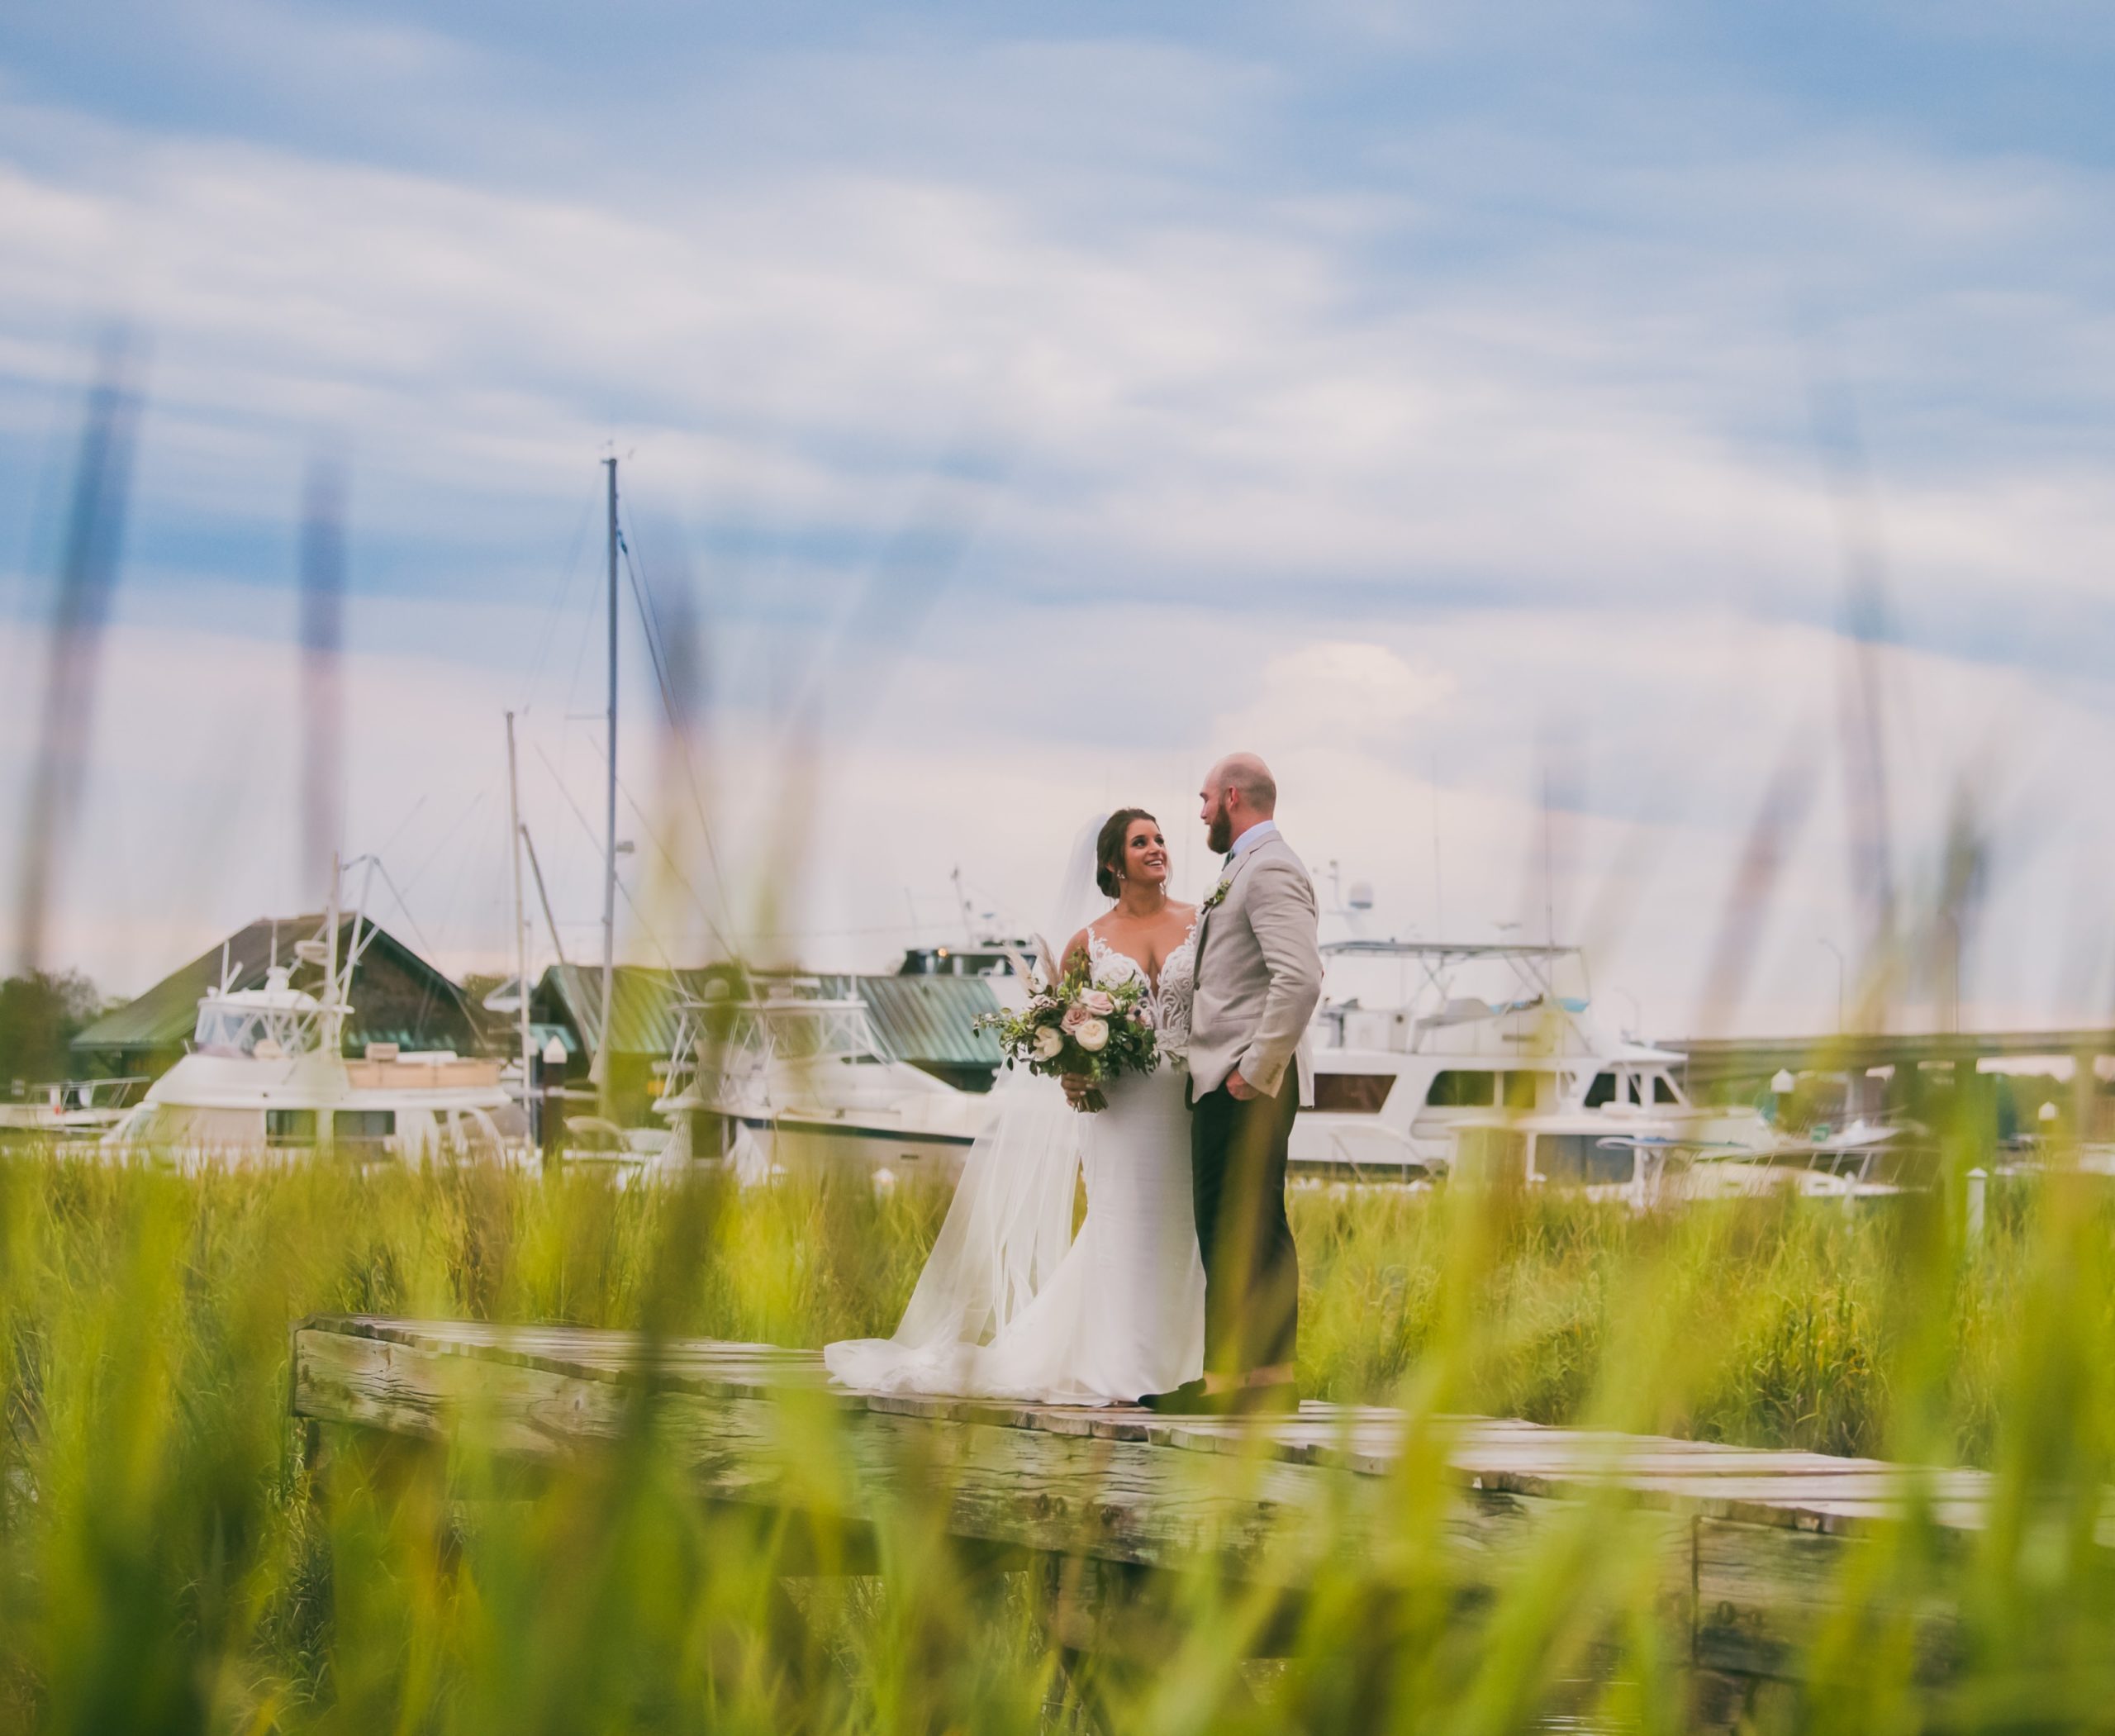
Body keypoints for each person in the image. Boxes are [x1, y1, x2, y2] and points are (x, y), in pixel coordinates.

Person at [824, 809, 1204, 1404]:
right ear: (1112, 863)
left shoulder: (1200, 923)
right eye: (1140, 841)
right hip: (1121, 1109)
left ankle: (1187, 1363)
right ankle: (1121, 1361)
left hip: (1185, 1105)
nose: (1157, 847)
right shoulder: (1088, 942)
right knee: (1124, 1224)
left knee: (1185, 1227)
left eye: (1158, 838)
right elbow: (1066, 1030)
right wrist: (1073, 1075)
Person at [1139, 752, 1322, 1416]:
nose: (1200, 811)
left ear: (1233, 796)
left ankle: (1238, 1385)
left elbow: (1298, 978)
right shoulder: (1245, 866)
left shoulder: (1269, 866)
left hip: (1245, 1080)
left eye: (1206, 798)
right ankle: (1258, 1383)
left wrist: (1254, 1068)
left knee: (1237, 1226)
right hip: (1237, 1077)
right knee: (1245, 1225)